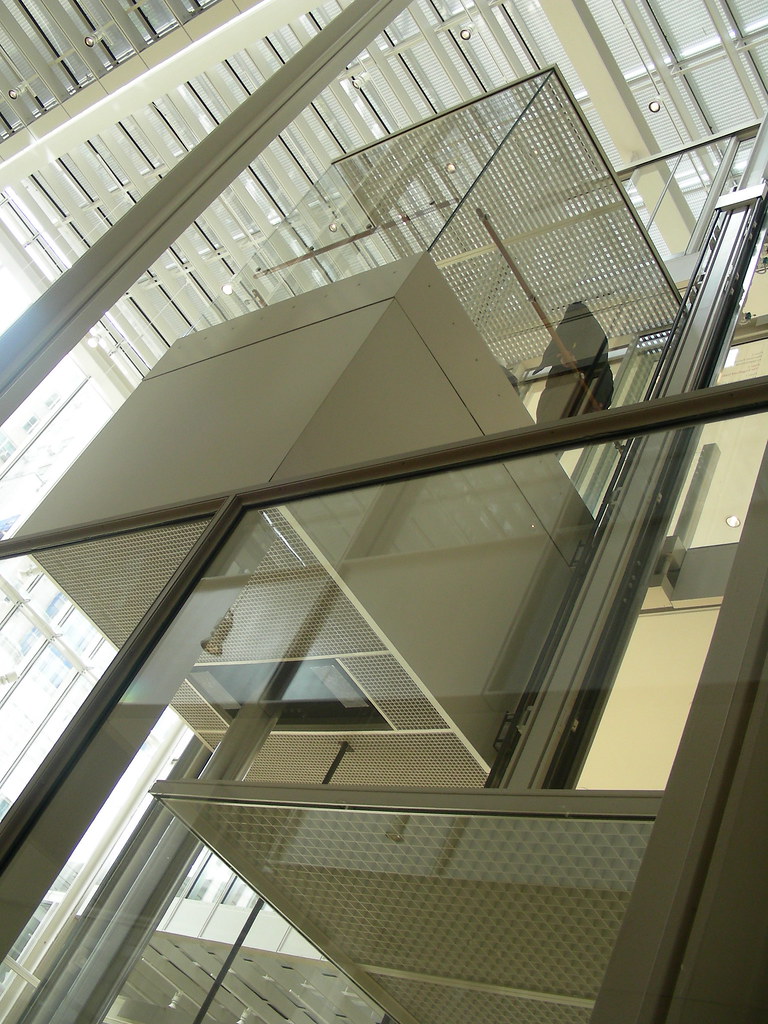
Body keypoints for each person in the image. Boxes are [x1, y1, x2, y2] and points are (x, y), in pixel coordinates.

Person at [534, 301, 613, 423]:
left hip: (573, 412)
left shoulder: (602, 369)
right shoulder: (561, 369)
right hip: (559, 407)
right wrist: (562, 358)